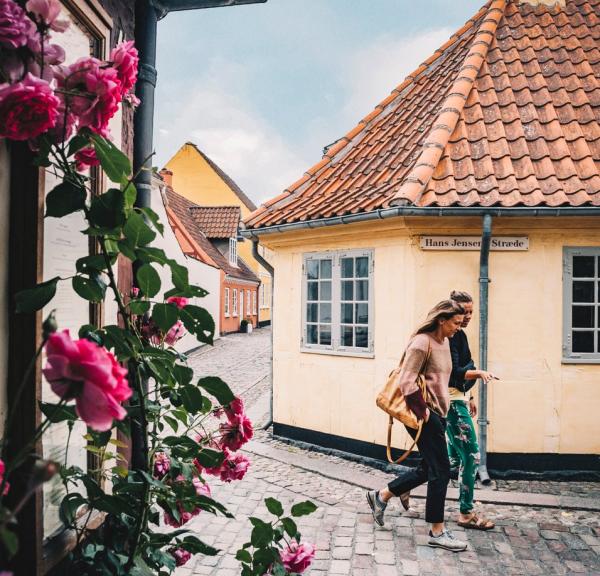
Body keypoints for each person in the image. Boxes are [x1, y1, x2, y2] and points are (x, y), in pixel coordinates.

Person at [367, 300, 468, 552]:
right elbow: (406, 382)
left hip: (439, 414)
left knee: (428, 468)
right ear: (442, 320)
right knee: (441, 470)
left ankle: (381, 496)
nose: (459, 326)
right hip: (425, 415)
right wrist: (425, 414)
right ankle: (437, 531)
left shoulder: (444, 342)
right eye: (456, 322)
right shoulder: (422, 343)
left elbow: (444, 378)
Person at [447, 290, 497, 530]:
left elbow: (467, 365)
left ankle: (395, 490)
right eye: (463, 312)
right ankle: (466, 513)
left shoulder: (461, 335)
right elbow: (455, 372)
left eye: (470, 312)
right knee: (471, 456)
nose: (467, 317)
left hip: (460, 400)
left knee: (452, 460)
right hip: (451, 405)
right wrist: (476, 373)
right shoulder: (448, 337)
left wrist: (471, 396)